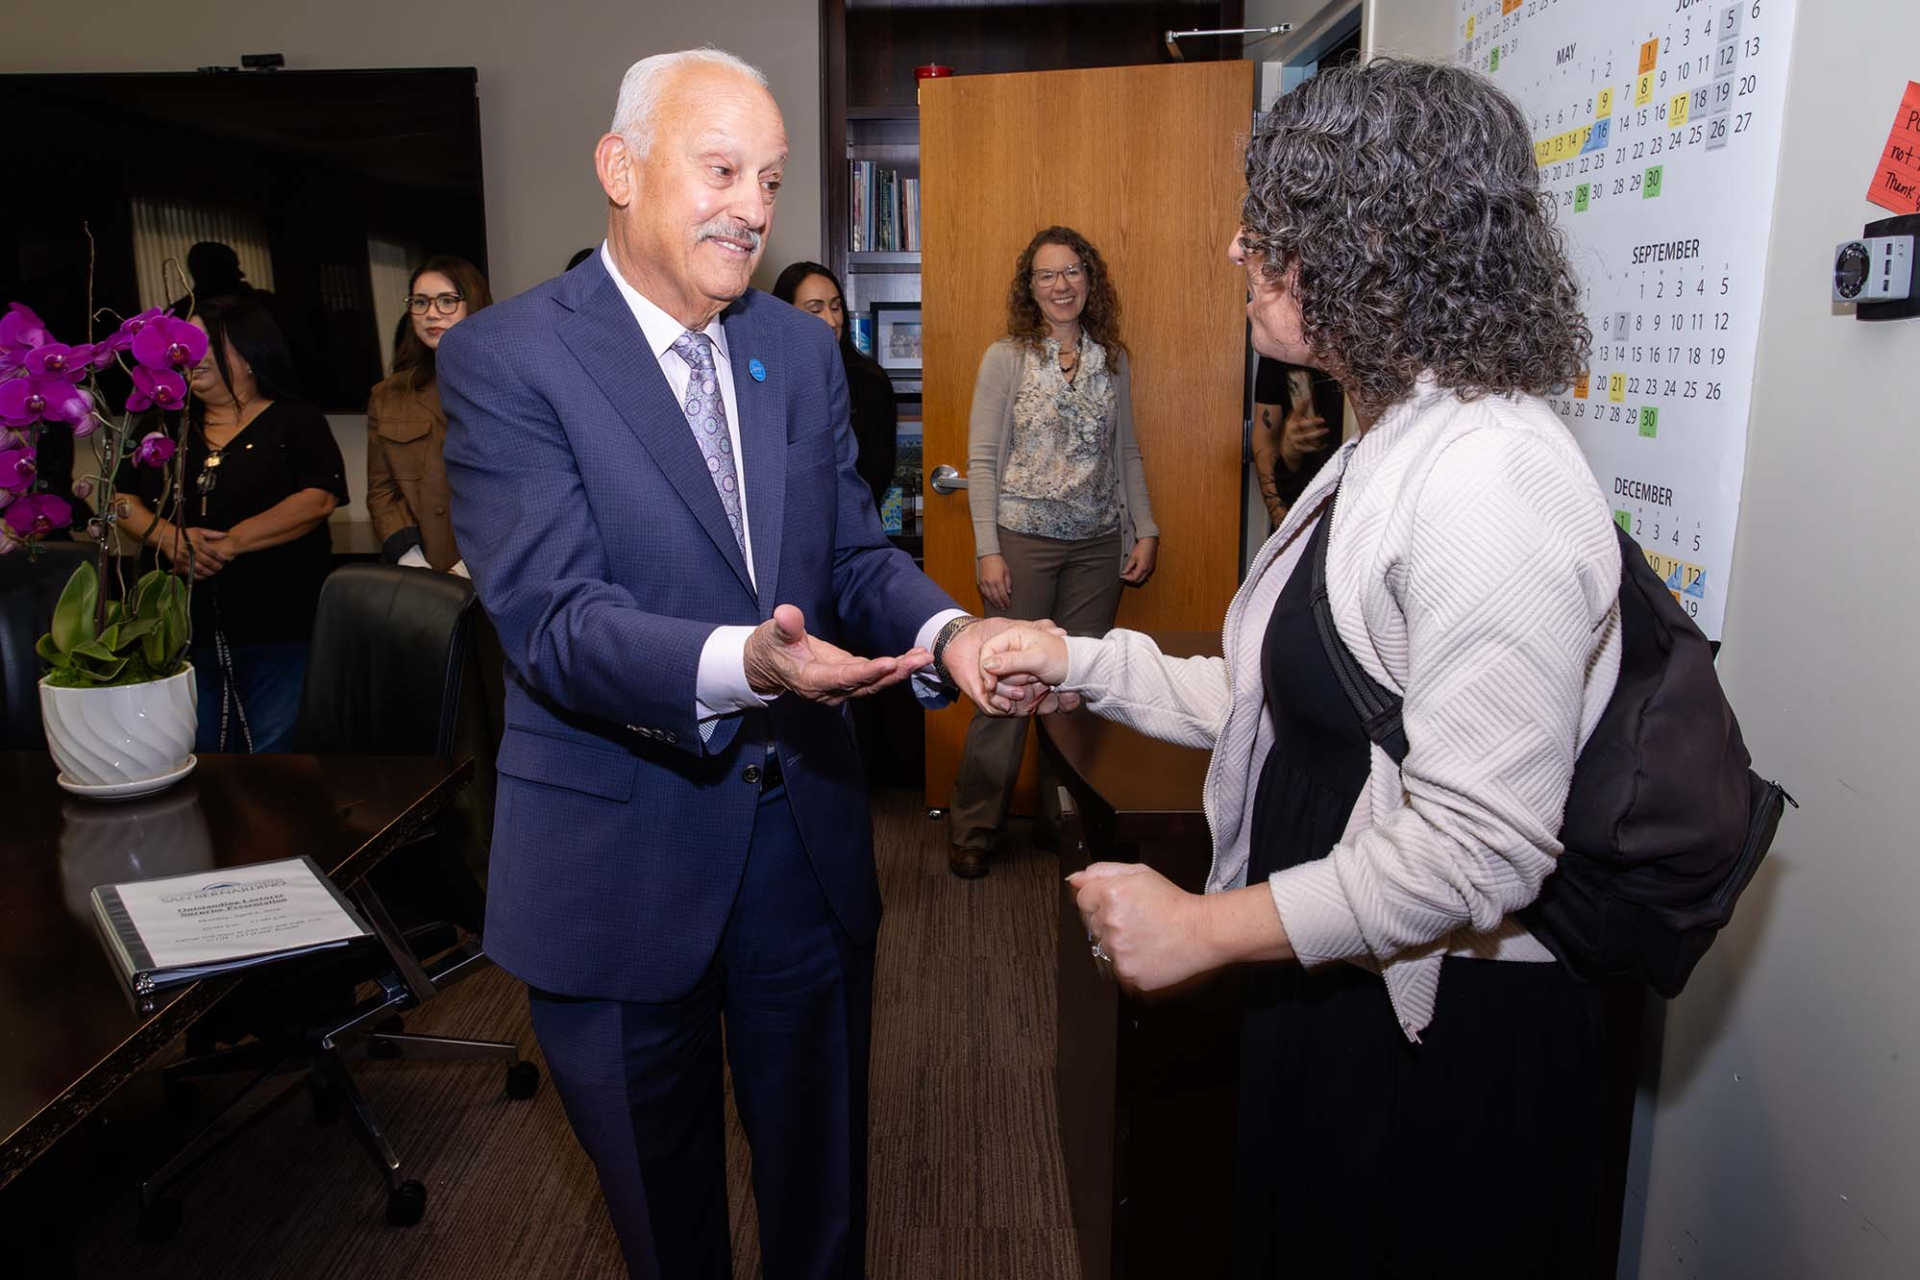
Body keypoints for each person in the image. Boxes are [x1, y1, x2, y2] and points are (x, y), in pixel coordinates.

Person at [978, 59, 1621, 1275]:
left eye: (1275, 225)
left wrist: (1209, 927)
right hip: (1337, 970)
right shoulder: (1387, 436)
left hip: (1443, 1031)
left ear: (1381, 246)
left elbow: (1478, 846)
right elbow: (1272, 692)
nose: (1238, 249)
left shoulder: (1493, 473)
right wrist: (1076, 654)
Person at [436, 48, 1013, 1280]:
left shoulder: (797, 357)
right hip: (617, 862)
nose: (753, 207)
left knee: (825, 1208)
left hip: (800, 852)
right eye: (721, 170)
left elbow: (854, 552)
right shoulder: (506, 359)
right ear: (620, 166)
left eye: (770, 177)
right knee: (665, 1221)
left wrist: (953, 633)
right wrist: (747, 663)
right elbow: (555, 619)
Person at [947, 225, 1159, 879]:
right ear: (1029, 287)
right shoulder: (1006, 358)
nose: (1061, 285)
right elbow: (981, 460)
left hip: (1097, 548)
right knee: (1008, 687)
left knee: (1076, 690)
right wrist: (989, 550)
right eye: (1047, 274)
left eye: (1072, 272)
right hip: (1023, 543)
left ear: (1088, 281)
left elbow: (1126, 454)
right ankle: (975, 828)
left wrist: (1144, 529)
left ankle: (1060, 820)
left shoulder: (1112, 359)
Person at [118, 295, 349, 753]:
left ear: (250, 351)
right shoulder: (160, 421)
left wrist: (227, 544)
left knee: (273, 760)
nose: (187, 353)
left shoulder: (295, 419)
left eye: (206, 342)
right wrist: (167, 536)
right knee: (190, 753)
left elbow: (318, 498)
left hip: (279, 628)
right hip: (180, 632)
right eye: (183, 342)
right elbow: (120, 498)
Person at [365, 255, 494, 573]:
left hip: (495, 569)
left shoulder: (511, 385)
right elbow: (382, 491)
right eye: (420, 302)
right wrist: (410, 559)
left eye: (447, 301)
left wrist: (469, 566)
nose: (431, 313)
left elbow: (527, 489)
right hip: (419, 570)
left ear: (473, 304)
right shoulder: (389, 395)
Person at [771, 261, 896, 510]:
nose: (831, 320)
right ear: (785, 315)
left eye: (836, 307)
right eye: (815, 309)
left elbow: (877, 473)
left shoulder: (870, 381)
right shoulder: (764, 380)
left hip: (852, 523)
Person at [1248, 356, 1340, 526]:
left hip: (1356, 505)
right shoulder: (1278, 340)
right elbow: (1265, 440)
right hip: (1299, 502)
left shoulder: (1364, 342)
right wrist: (1280, 521)